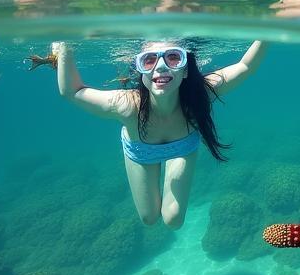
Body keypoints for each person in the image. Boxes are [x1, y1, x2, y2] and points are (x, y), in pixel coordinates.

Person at [53, 39, 265, 228]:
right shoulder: (127, 105)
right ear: (141, 73)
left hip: (183, 147)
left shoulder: (199, 93)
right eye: (149, 60)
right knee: (149, 218)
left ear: (185, 70)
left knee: (173, 220)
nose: (161, 67)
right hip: (141, 151)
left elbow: (245, 66)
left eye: (174, 58)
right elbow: (72, 91)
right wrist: (64, 45)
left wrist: (271, 30)